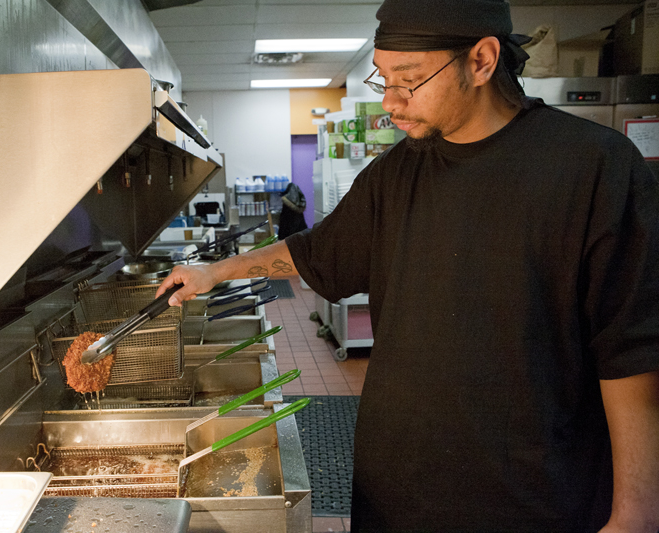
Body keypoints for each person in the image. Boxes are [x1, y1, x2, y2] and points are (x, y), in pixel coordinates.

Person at [157, 0, 659, 530]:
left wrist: (636, 514)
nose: (391, 101)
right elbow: (315, 252)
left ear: (482, 61)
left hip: (533, 498)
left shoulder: (593, 166)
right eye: (384, 78)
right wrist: (215, 272)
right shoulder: (395, 173)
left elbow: (632, 352)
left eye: (410, 79)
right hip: (397, 491)